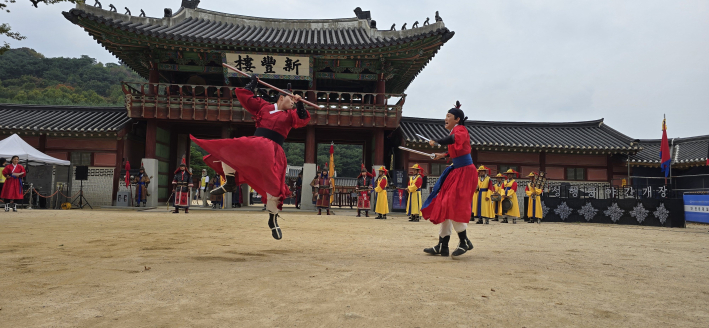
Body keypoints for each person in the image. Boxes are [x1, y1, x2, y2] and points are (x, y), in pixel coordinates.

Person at [192, 75, 310, 240]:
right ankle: (231, 181)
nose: (292, 103)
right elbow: (246, 98)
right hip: (257, 145)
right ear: (281, 97)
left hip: (273, 152)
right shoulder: (264, 107)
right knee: (229, 149)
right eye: (291, 99)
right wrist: (252, 84)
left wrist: (300, 104)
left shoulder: (290, 115)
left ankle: (273, 219)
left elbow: (302, 120)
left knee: (275, 187)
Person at [421, 101, 477, 257]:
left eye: (448, 116)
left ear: (457, 119)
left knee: (451, 204)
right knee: (444, 204)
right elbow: (456, 150)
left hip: (465, 172)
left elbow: (453, 140)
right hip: (457, 171)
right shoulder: (455, 131)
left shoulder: (460, 129)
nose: (445, 118)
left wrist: (437, 141)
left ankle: (464, 241)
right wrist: (443, 155)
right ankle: (442, 245)